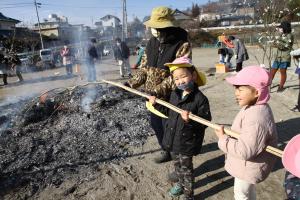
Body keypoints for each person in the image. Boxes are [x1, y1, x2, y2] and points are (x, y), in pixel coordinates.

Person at [125, 6, 192, 164]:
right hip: (152, 98)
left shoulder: (182, 44)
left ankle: (180, 163)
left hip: (171, 98)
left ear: (169, 26)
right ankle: (166, 150)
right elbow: (144, 69)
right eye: (154, 28)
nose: (155, 31)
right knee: (156, 124)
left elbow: (177, 75)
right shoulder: (151, 44)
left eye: (158, 28)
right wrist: (131, 83)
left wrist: (157, 91)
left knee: (173, 130)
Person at [149, 56, 211, 200]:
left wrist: (189, 121)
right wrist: (156, 104)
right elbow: (169, 113)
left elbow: (205, 121)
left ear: (193, 75)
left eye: (183, 77)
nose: (180, 81)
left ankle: (189, 194)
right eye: (176, 79)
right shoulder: (175, 94)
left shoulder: (200, 99)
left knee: (186, 170)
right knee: (177, 167)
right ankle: (180, 185)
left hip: (187, 142)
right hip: (174, 140)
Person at [215, 66, 278, 200]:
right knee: (247, 192)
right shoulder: (254, 107)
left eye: (240, 89)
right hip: (247, 166)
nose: (236, 93)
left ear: (256, 92)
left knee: (241, 194)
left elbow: (245, 151)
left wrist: (223, 139)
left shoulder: (256, 118)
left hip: (248, 167)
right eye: (236, 88)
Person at [270, 21, 294, 92]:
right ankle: (268, 84)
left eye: (281, 28)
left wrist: (277, 44)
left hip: (284, 57)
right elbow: (277, 42)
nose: (280, 29)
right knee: (272, 71)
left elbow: (285, 46)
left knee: (282, 71)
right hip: (278, 56)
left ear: (285, 28)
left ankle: (281, 86)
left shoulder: (290, 35)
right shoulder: (281, 34)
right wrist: (274, 42)